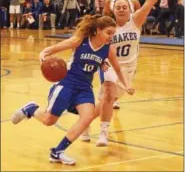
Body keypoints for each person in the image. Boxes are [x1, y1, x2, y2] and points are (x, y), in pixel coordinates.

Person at [11, 15, 134, 165]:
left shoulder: (108, 50)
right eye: (109, 33)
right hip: (67, 83)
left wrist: (127, 85)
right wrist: (44, 60)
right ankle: (31, 108)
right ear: (98, 30)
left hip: (84, 88)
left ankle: (57, 152)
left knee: (87, 117)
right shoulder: (79, 41)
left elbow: (118, 69)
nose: (112, 36)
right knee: (49, 121)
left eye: (113, 33)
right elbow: (48, 51)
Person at [80, 0, 168, 146]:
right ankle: (104, 133)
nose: (121, 9)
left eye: (124, 7)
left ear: (129, 9)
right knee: (109, 94)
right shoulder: (106, 26)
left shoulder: (135, 21)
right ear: (113, 10)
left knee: (107, 99)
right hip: (110, 66)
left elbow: (149, 2)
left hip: (129, 68)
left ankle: (84, 123)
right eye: (118, 7)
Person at [103, 0, 140, 109]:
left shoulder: (134, 2)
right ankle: (109, 99)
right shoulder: (109, 1)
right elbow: (105, 16)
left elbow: (139, 15)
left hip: (129, 34)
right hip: (115, 34)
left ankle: (114, 98)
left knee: (123, 85)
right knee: (110, 85)